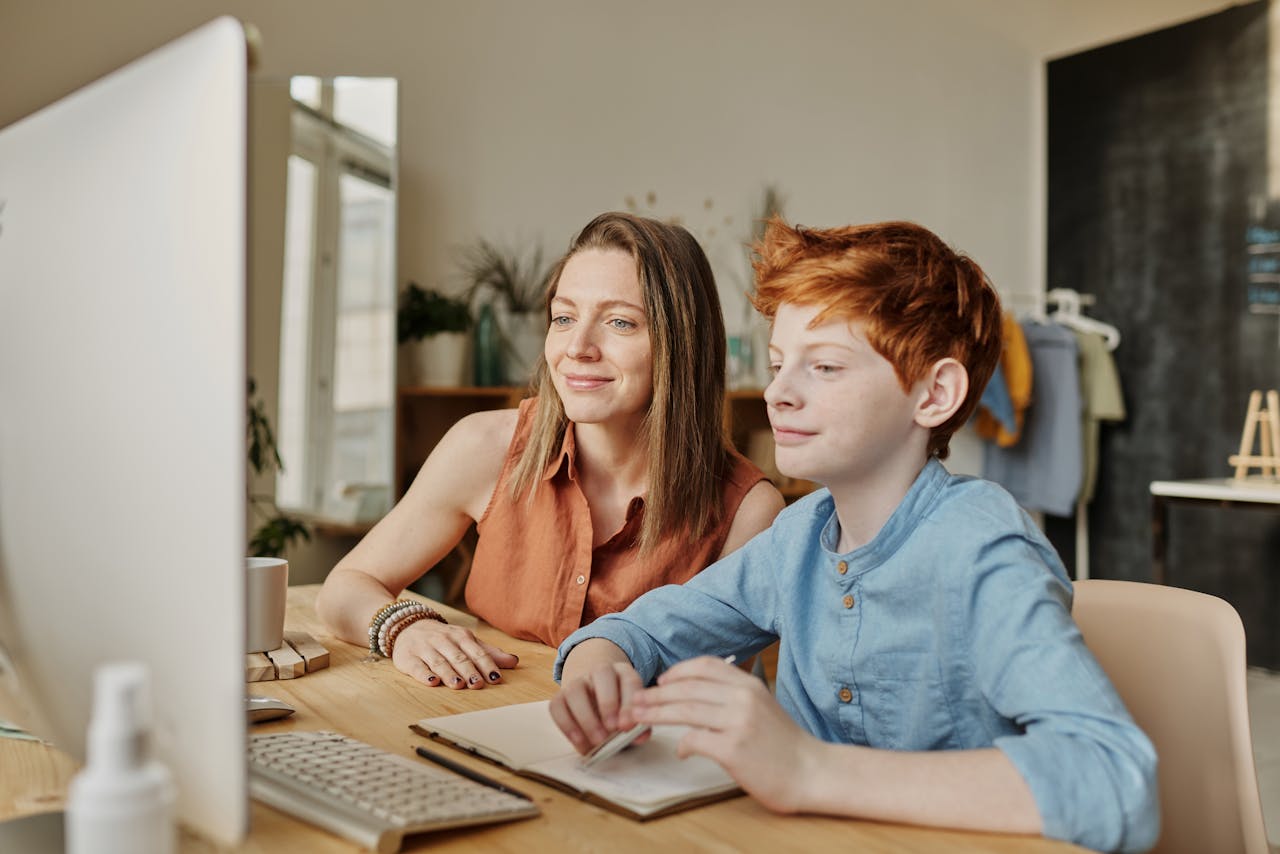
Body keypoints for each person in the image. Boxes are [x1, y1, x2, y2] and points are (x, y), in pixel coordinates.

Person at [550, 218, 1159, 852]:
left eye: (827, 367)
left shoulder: (982, 550)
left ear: (934, 393)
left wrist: (807, 769)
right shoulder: (800, 536)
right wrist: (599, 672)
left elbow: (1116, 782)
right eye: (780, 364)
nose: (779, 393)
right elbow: (641, 629)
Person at [316, 212, 785, 691]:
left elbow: (713, 688)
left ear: (682, 344)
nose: (577, 347)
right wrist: (406, 628)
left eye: (620, 322)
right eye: (564, 318)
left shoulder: (747, 511)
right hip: (462, 729)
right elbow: (345, 586)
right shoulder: (484, 446)